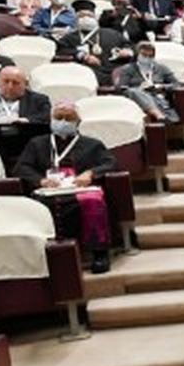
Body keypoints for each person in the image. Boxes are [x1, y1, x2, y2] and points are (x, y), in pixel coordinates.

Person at [12, 102, 117, 273]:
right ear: (51, 119)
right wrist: (40, 180)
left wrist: (90, 173)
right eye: (58, 117)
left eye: (68, 118)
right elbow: (22, 167)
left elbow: (110, 163)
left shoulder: (92, 144)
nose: (63, 122)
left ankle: (99, 253)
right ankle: (48, 256)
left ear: (78, 122)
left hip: (80, 188)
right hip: (49, 188)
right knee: (38, 204)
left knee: (93, 202)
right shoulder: (37, 143)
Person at [113, 41, 181, 124]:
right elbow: (121, 88)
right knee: (134, 91)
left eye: (150, 56)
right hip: (137, 100)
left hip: (158, 98)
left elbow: (177, 84)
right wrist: (140, 89)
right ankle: (158, 115)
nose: (147, 58)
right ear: (137, 55)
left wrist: (160, 86)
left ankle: (160, 114)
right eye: (144, 55)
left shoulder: (161, 68)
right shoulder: (128, 69)